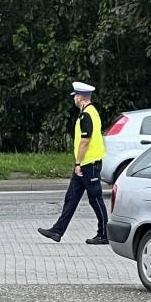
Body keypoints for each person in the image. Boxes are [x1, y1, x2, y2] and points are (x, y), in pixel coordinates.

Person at [38, 81, 109, 245]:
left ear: (81, 97)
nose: (74, 99)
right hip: (85, 163)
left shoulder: (87, 114)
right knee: (71, 197)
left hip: (88, 163)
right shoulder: (90, 112)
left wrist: (78, 163)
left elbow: (85, 140)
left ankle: (104, 234)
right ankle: (57, 231)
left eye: (75, 96)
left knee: (95, 198)